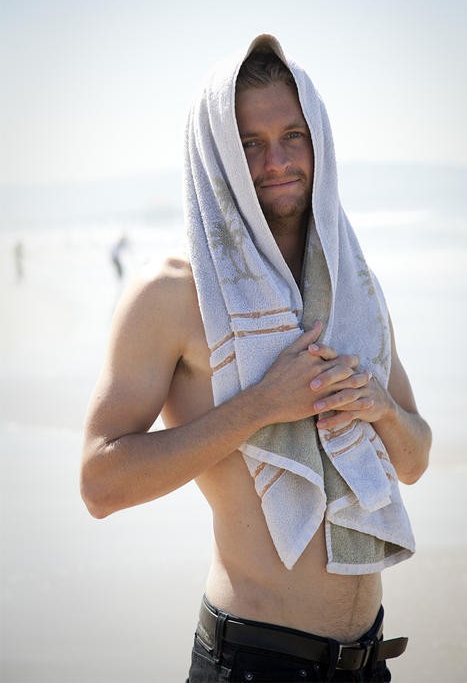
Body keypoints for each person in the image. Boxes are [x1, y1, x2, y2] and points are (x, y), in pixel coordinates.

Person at [80, 34, 431, 682]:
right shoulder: (172, 293)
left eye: (293, 135)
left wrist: (379, 407)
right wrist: (260, 406)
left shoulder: (353, 288)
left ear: (319, 139)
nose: (276, 161)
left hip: (367, 661)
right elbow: (100, 485)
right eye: (249, 143)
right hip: (254, 663)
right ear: (217, 153)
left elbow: (414, 460)